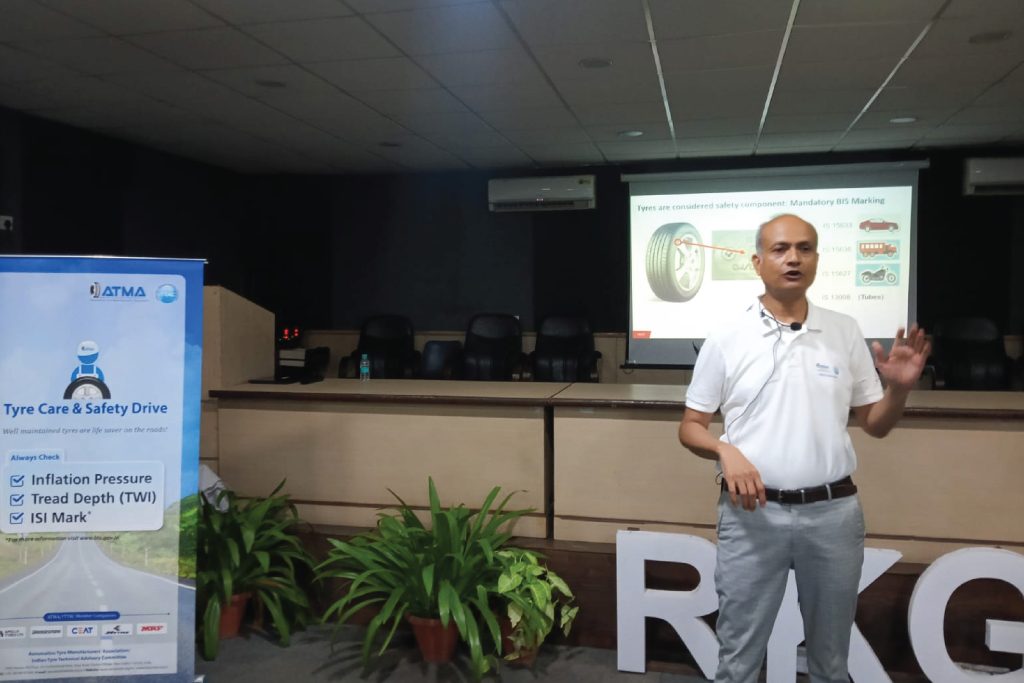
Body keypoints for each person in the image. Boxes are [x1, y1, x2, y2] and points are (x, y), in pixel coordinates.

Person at [678, 214, 929, 683]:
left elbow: (875, 425)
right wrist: (724, 451)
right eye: (780, 249)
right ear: (757, 262)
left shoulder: (843, 330)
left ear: (816, 259)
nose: (793, 258)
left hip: (833, 516)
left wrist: (898, 390)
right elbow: (690, 426)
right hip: (752, 515)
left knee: (831, 661)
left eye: (804, 248)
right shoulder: (727, 335)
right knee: (738, 660)